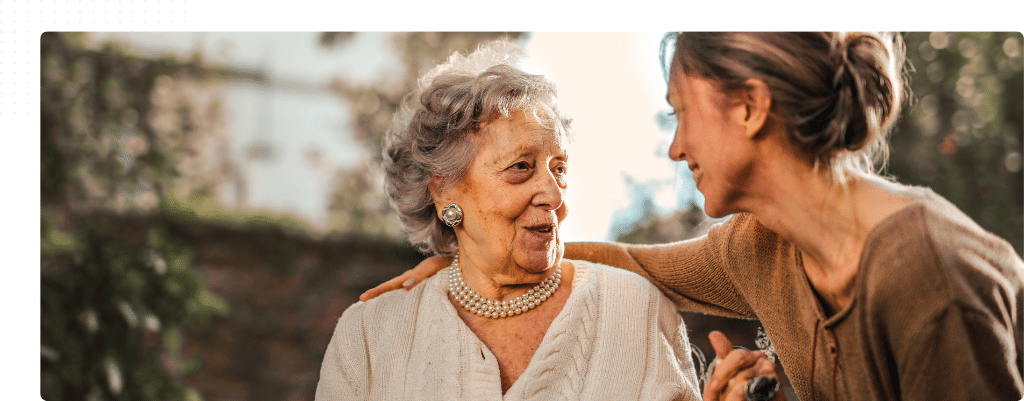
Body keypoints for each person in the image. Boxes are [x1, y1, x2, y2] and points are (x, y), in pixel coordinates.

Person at [361, 32, 1024, 401]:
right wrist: (471, 255)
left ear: (749, 106)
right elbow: (631, 261)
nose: (676, 147)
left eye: (681, 111)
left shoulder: (928, 274)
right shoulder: (761, 247)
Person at [316, 41, 717, 400]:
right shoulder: (367, 337)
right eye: (521, 167)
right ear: (444, 192)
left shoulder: (638, 311)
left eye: (559, 168)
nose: (555, 195)